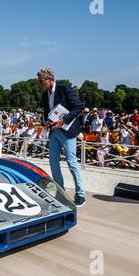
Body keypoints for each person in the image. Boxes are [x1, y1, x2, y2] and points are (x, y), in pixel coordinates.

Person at [38, 68, 86, 206]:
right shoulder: (44, 95)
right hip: (54, 132)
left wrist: (64, 120)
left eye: (41, 81)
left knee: (72, 163)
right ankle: (60, 192)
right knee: (53, 163)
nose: (40, 84)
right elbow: (47, 113)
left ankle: (80, 194)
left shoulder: (65, 89)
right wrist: (46, 123)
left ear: (49, 79)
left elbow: (79, 107)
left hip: (68, 131)